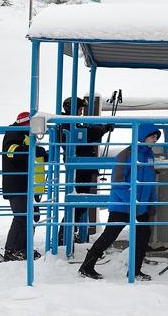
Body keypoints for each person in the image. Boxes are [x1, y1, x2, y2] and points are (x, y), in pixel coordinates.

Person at [79, 122, 162, 280]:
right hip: (123, 206)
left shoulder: (149, 156)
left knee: (143, 237)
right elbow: (117, 181)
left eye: (156, 137)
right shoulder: (126, 154)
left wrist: (151, 201)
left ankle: (135, 271)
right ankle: (86, 266)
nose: (155, 140)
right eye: (152, 136)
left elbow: (151, 181)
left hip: (141, 206)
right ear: (142, 136)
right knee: (109, 236)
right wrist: (131, 201)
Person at [59, 96, 112, 242]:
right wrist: (103, 128)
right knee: (79, 202)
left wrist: (101, 128)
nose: (81, 112)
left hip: (82, 166)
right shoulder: (68, 124)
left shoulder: (68, 122)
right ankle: (65, 235)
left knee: (80, 202)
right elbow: (87, 134)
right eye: (80, 109)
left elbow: (87, 132)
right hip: (80, 166)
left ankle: (69, 232)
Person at [1, 111, 45, 261]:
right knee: (22, 217)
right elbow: (11, 152)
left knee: (32, 217)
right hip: (17, 185)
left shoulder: (25, 135)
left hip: (27, 185)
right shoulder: (14, 133)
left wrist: (42, 154)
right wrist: (32, 151)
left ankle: (24, 248)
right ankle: (12, 250)